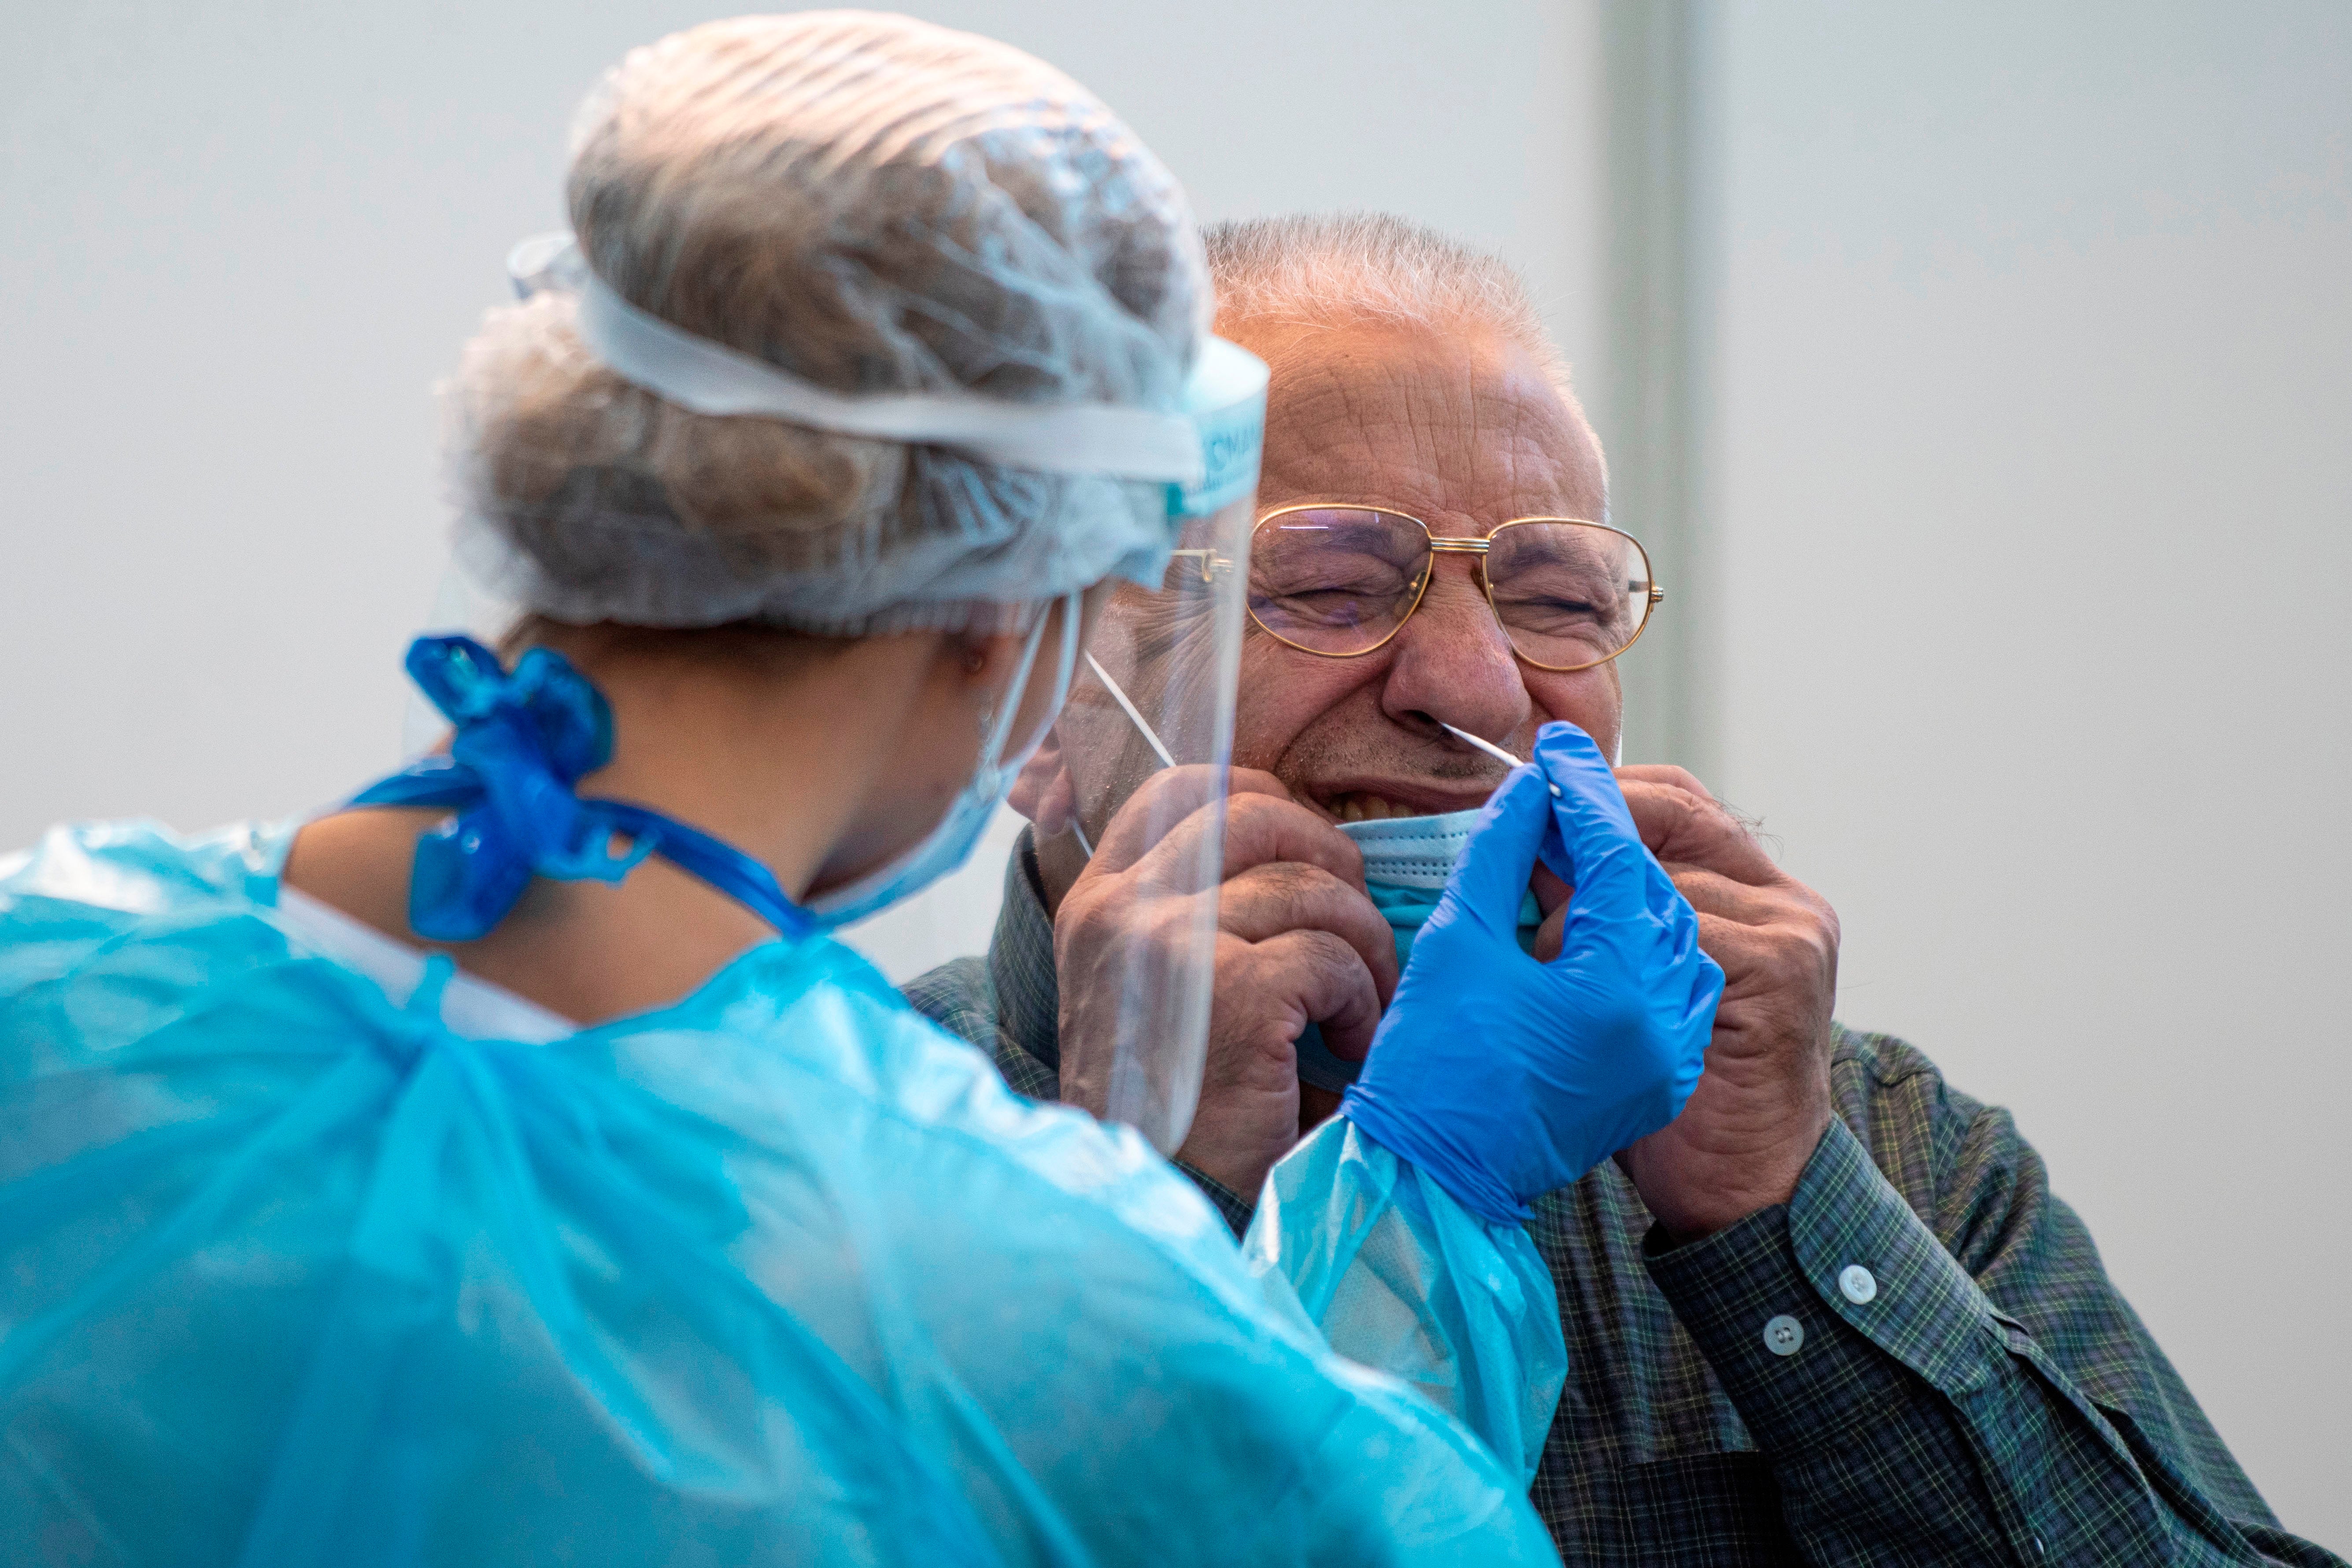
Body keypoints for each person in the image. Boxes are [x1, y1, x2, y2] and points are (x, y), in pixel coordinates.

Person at [0, 23, 1726, 1566]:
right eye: (1315, 581)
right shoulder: (987, 1263)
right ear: (1008, 599)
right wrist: (1429, 1193)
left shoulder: (57, 981)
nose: (1470, 680)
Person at [908, 212, 2348, 1568]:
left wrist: (1782, 1222)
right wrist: (1150, 1221)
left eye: (1552, 601)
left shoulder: (1883, 1148)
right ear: (1033, 703)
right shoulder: (828, 1135)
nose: (1476, 687)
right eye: (1328, 583)